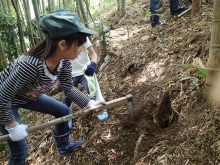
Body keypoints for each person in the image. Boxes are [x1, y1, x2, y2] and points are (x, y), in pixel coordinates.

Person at [0, 11, 103, 164]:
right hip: (5, 103)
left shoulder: (64, 62)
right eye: (80, 44)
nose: (82, 49)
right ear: (62, 44)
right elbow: (2, 98)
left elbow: (68, 88)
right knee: (20, 150)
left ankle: (63, 145)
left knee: (63, 111)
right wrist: (12, 126)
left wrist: (89, 103)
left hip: (30, 95)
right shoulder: (30, 65)